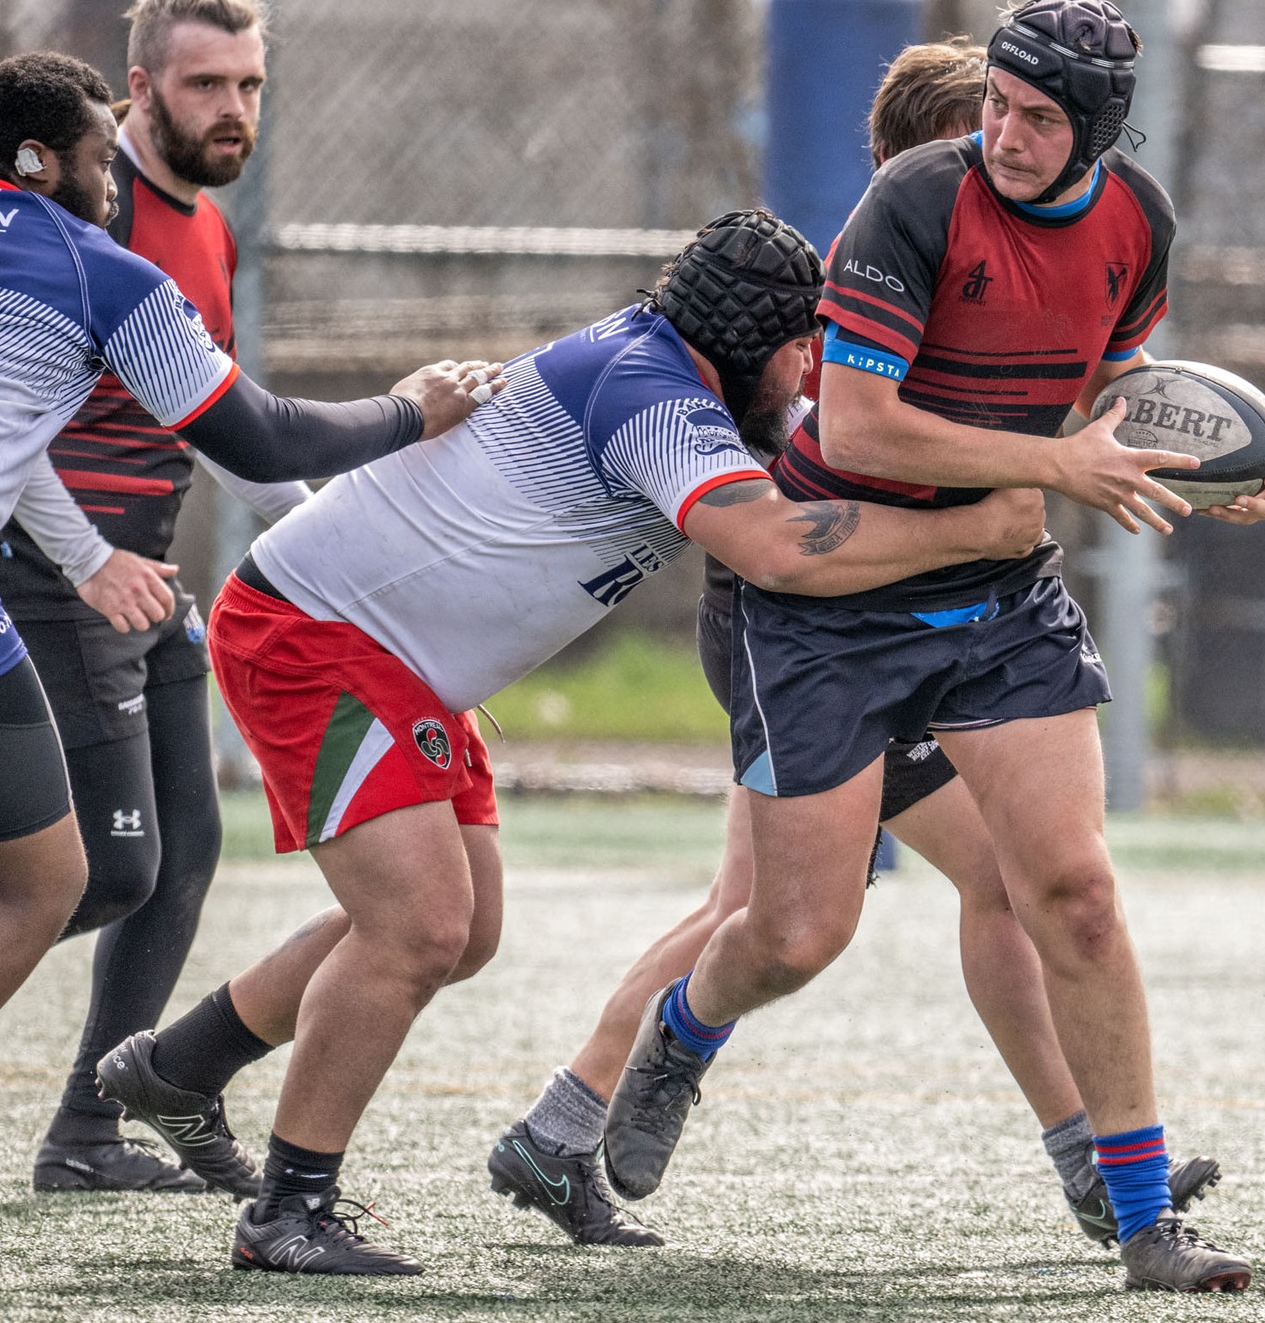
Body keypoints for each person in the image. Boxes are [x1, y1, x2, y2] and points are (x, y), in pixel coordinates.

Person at [96, 207, 1049, 1276]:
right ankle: (288, 1208)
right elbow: (775, 548)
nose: (811, 369)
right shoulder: (653, 396)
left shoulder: (672, 367)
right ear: (751, 342)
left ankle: (183, 1066)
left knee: (465, 928)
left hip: (389, 652)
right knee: (415, 927)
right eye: (800, 347)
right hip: (318, 636)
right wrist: (978, 529)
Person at [601, 0, 1265, 1294]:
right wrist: (1051, 465)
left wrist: (1226, 468)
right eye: (995, 105)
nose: (1005, 135)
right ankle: (684, 1035)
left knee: (1075, 896)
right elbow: (858, 428)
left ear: (1098, 128)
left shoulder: (1137, 225)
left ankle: (1145, 1222)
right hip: (829, 596)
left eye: (1038, 119)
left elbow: (1111, 394)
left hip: (996, 590)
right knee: (797, 931)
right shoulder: (917, 201)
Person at [0, 50, 491, 1125]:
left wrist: (79, 558)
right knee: (35, 883)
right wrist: (408, 411)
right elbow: (255, 430)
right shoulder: (97, 269)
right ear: (38, 162)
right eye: (93, 162)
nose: (109, 184)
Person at [0, 0, 301, 1197]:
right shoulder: (89, 241)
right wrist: (83, 554)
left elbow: (238, 450)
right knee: (77, 873)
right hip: (35, 575)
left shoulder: (205, 228)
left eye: (250, 84)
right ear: (133, 96)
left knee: (178, 852)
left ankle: (86, 1125)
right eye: (204, 84)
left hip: (143, 567)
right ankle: (89, 1116)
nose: (233, 109)